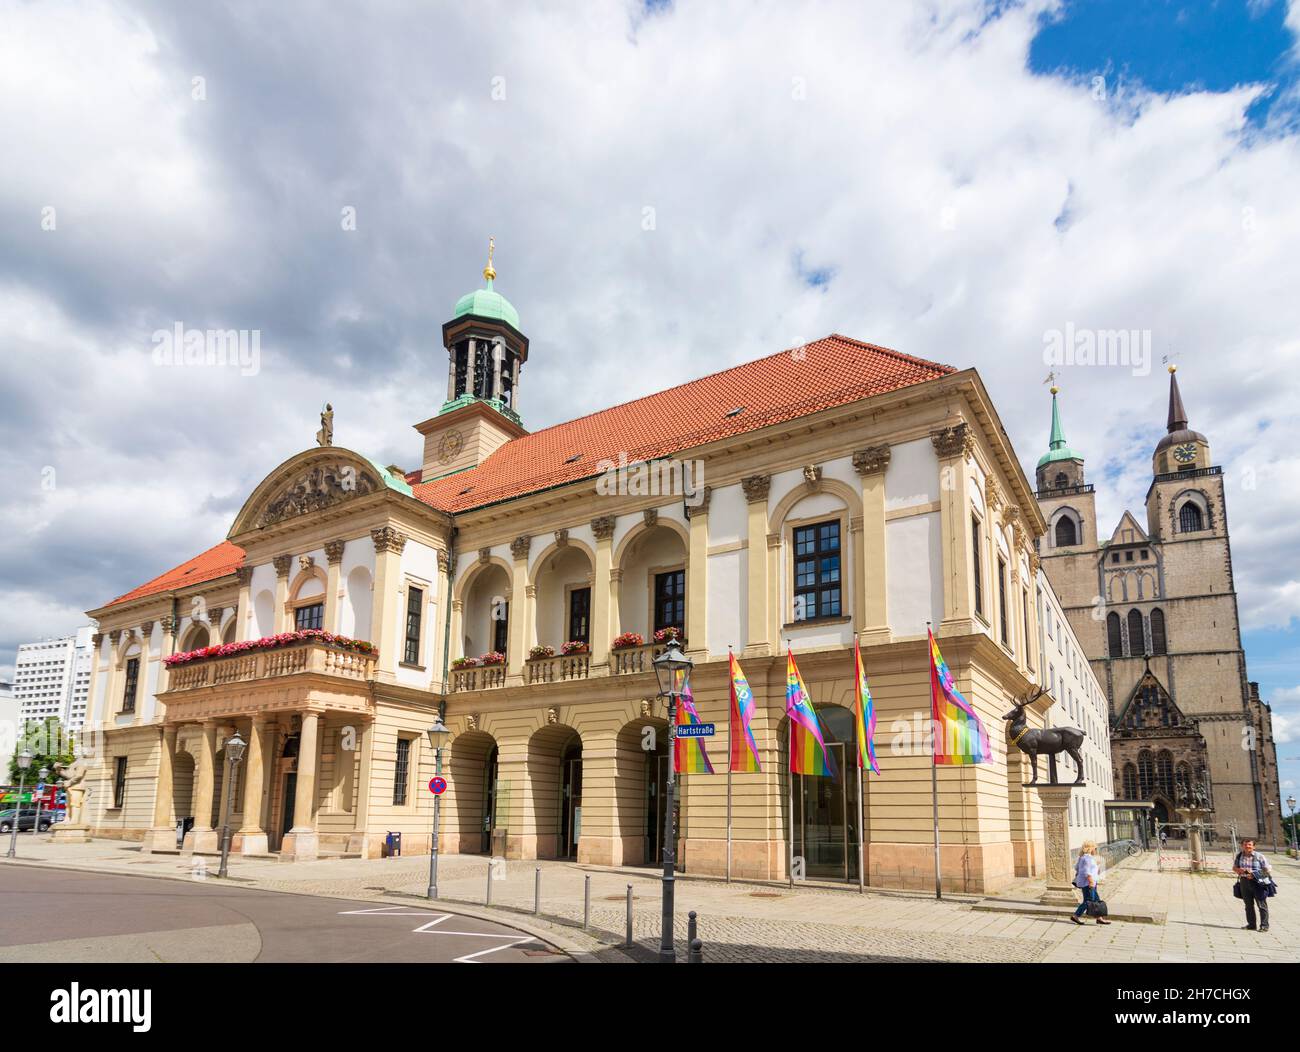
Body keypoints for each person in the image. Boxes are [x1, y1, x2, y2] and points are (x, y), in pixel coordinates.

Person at [1233, 838, 1272, 933]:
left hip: (1258, 883)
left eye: (1249, 845)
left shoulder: (1259, 856)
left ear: (1253, 846)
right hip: (1244, 882)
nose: (1247, 846)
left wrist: (1254, 875)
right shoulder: (1239, 856)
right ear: (1242, 846)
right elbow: (1234, 867)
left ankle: (1264, 925)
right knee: (1248, 905)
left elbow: (1268, 870)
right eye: (1245, 844)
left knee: (1261, 905)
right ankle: (1251, 925)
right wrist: (1238, 870)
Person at [1071, 840, 1111, 925]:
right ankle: (1076, 915)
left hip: (1089, 882)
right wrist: (1091, 881)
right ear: (1091, 848)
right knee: (1088, 901)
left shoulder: (1083, 857)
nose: (1095, 850)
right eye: (1095, 848)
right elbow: (1086, 871)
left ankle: (1099, 918)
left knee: (1096, 900)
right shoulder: (1087, 858)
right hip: (1089, 883)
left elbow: (1076, 868)